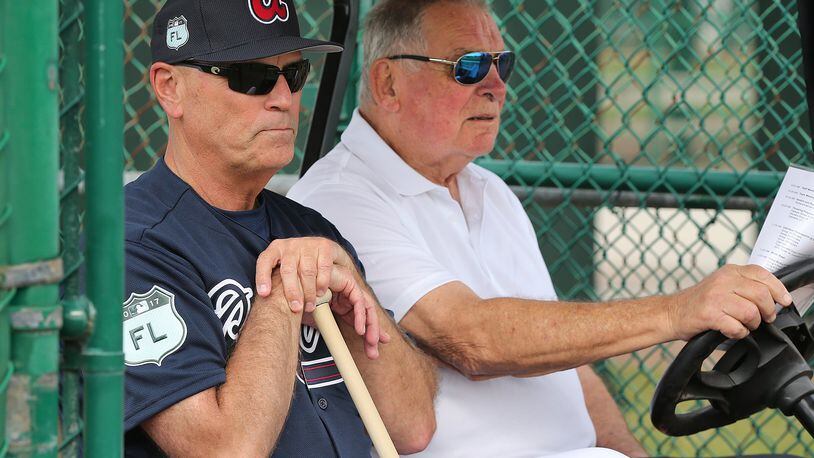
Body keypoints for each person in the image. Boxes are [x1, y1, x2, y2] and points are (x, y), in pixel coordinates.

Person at [285, 0, 794, 456]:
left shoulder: (489, 190)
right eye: (469, 66)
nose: (496, 85)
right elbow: (473, 340)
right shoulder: (338, 201)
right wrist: (678, 311)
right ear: (387, 83)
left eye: (502, 63)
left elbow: (567, 363)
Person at [122, 0, 437, 456]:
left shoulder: (312, 231)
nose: (284, 99)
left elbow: (414, 426)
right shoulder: (134, 245)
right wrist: (284, 296)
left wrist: (354, 294)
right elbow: (225, 451)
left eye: (294, 75)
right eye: (252, 77)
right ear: (170, 88)